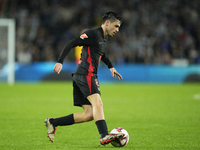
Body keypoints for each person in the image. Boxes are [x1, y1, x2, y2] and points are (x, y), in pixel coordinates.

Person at [44, 11, 124, 146]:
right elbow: (71, 42)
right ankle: (104, 135)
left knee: (89, 114)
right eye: (116, 26)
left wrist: (111, 67)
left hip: (83, 76)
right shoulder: (93, 34)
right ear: (107, 23)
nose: (117, 30)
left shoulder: (104, 38)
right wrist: (60, 61)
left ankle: (52, 123)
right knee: (98, 104)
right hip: (86, 74)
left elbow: (101, 53)